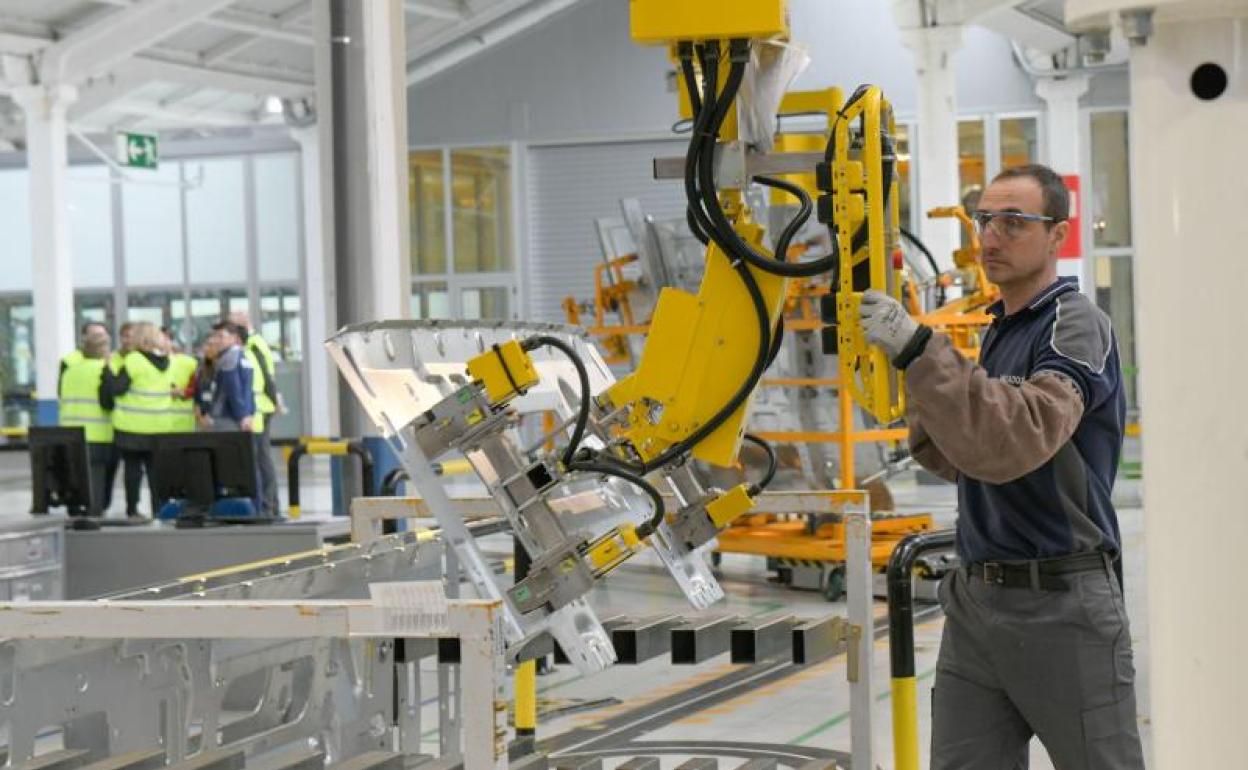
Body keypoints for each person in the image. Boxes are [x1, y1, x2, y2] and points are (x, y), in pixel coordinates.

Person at [856, 164, 1143, 769]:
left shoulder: (1075, 325)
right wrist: (923, 391)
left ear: (1057, 235)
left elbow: (1022, 435)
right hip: (977, 600)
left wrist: (920, 352)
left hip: (1062, 603)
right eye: (984, 219)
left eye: (1014, 222)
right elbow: (971, 457)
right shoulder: (999, 331)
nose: (990, 237)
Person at [103, 321, 172, 518]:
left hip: (132, 426)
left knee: (133, 470)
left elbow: (118, 388)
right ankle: (158, 509)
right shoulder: (167, 361)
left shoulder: (134, 360)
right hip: (159, 427)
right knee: (154, 471)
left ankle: (133, 509)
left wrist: (108, 371)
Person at [58, 324, 116, 515]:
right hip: (98, 434)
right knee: (97, 482)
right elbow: (108, 402)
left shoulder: (69, 371)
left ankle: (76, 511)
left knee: (77, 477)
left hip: (70, 433)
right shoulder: (103, 369)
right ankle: (94, 514)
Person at [228, 311, 280, 515]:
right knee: (260, 457)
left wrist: (274, 401)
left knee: (261, 458)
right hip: (260, 406)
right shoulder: (252, 344)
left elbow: (267, 376)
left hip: (261, 407)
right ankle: (269, 504)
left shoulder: (254, 345)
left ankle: (269, 505)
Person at [205, 322, 255, 434]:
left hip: (227, 418)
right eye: (215, 336)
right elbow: (248, 391)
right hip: (242, 417)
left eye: (221, 336)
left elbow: (234, 389)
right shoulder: (243, 357)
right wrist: (249, 414)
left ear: (234, 338)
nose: (216, 340)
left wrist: (242, 416)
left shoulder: (229, 358)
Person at [165, 327, 198, 434]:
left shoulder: (188, 363)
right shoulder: (145, 364)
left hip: (184, 425)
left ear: (171, 341)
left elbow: (199, 388)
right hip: (158, 425)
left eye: (166, 339)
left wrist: (183, 392)